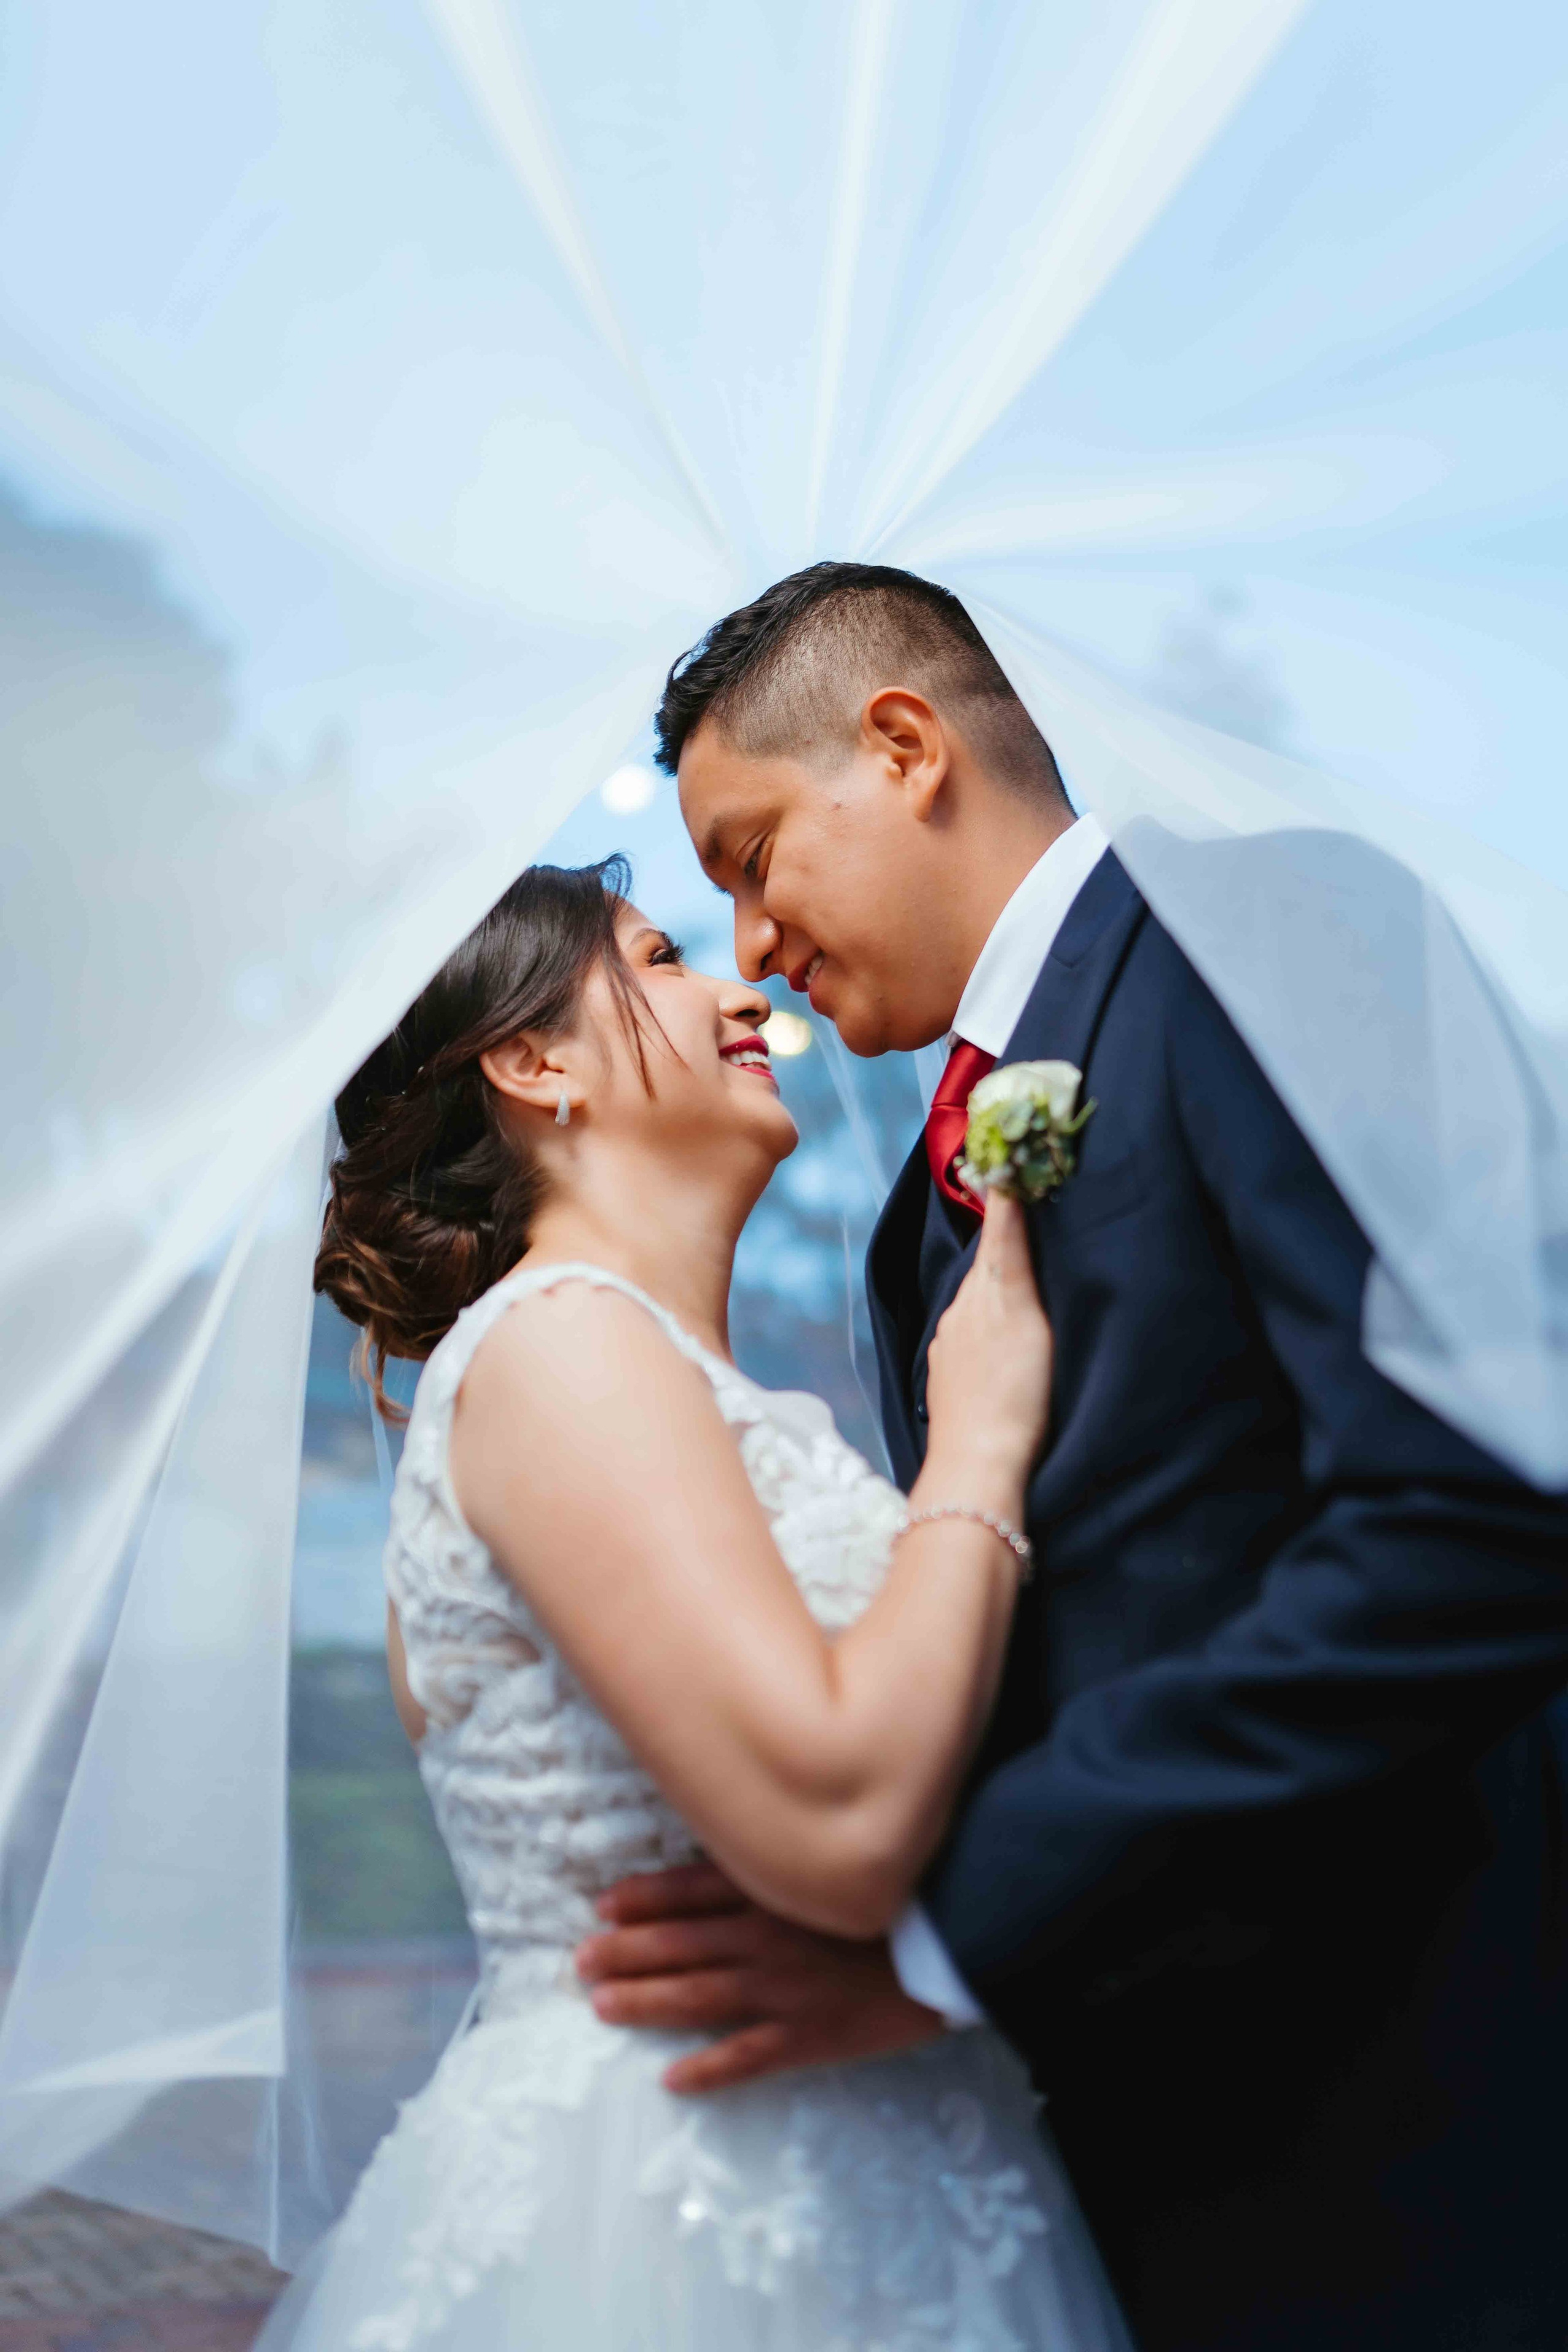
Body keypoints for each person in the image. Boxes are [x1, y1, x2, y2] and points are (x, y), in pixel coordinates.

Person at [580, 562, 1568, 2352]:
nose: (750, 946)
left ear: (903, 748)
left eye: (749, 858)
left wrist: (954, 1929)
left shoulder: (1272, 932)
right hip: (1114, 2160)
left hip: (1408, 2124)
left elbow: (1479, 1506)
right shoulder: (909, 1220)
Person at [257, 855, 1132, 2350]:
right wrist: (979, 1445)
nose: (743, 988)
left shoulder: (672, 1385)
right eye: (661, 958)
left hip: (867, 2165)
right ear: (534, 1065)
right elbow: (841, 1821)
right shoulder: (552, 1351)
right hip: (673, 2219)